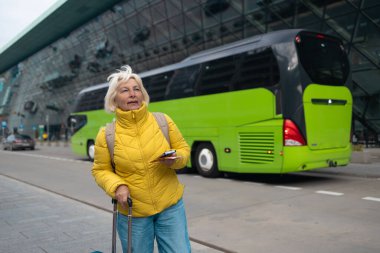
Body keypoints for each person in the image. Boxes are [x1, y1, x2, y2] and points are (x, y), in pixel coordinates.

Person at [92, 65, 191, 253]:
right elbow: (100, 170)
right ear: (114, 99)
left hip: (170, 207)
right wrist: (117, 186)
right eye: (125, 90)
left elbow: (183, 150)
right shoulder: (106, 135)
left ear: (143, 94)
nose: (132, 94)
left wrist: (176, 159)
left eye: (136, 89)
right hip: (133, 212)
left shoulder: (163, 121)